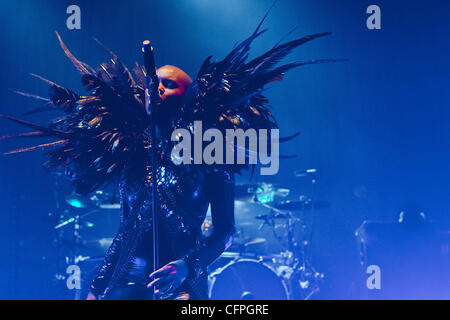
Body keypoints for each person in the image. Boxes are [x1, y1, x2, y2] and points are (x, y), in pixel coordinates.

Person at [1, 18, 336, 299]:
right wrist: (97, 287)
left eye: (169, 84)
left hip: (181, 282)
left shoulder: (212, 152)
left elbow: (224, 232)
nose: (156, 89)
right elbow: (125, 230)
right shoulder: (133, 153)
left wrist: (188, 265)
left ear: (189, 99)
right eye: (153, 84)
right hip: (127, 283)